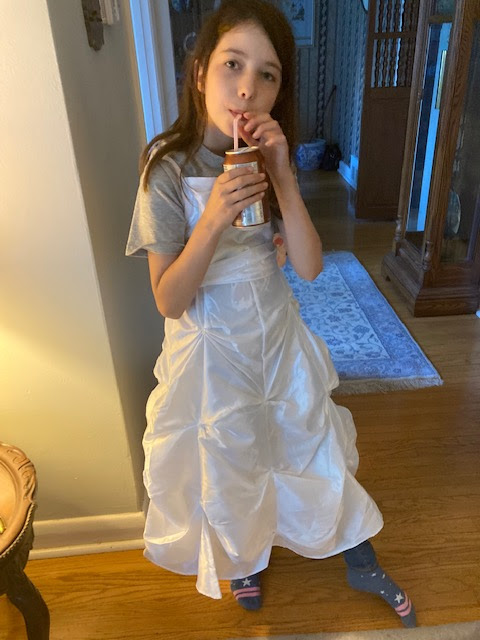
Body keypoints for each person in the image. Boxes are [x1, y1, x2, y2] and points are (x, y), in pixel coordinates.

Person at [126, 0, 416, 628]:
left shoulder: (263, 156)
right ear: (200, 72)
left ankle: (355, 552)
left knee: (305, 440)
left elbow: (309, 267)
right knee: (233, 455)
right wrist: (213, 218)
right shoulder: (166, 168)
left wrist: (283, 175)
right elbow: (169, 299)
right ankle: (245, 555)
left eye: (268, 74)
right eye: (232, 65)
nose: (247, 88)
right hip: (212, 351)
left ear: (280, 91)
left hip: (276, 336)